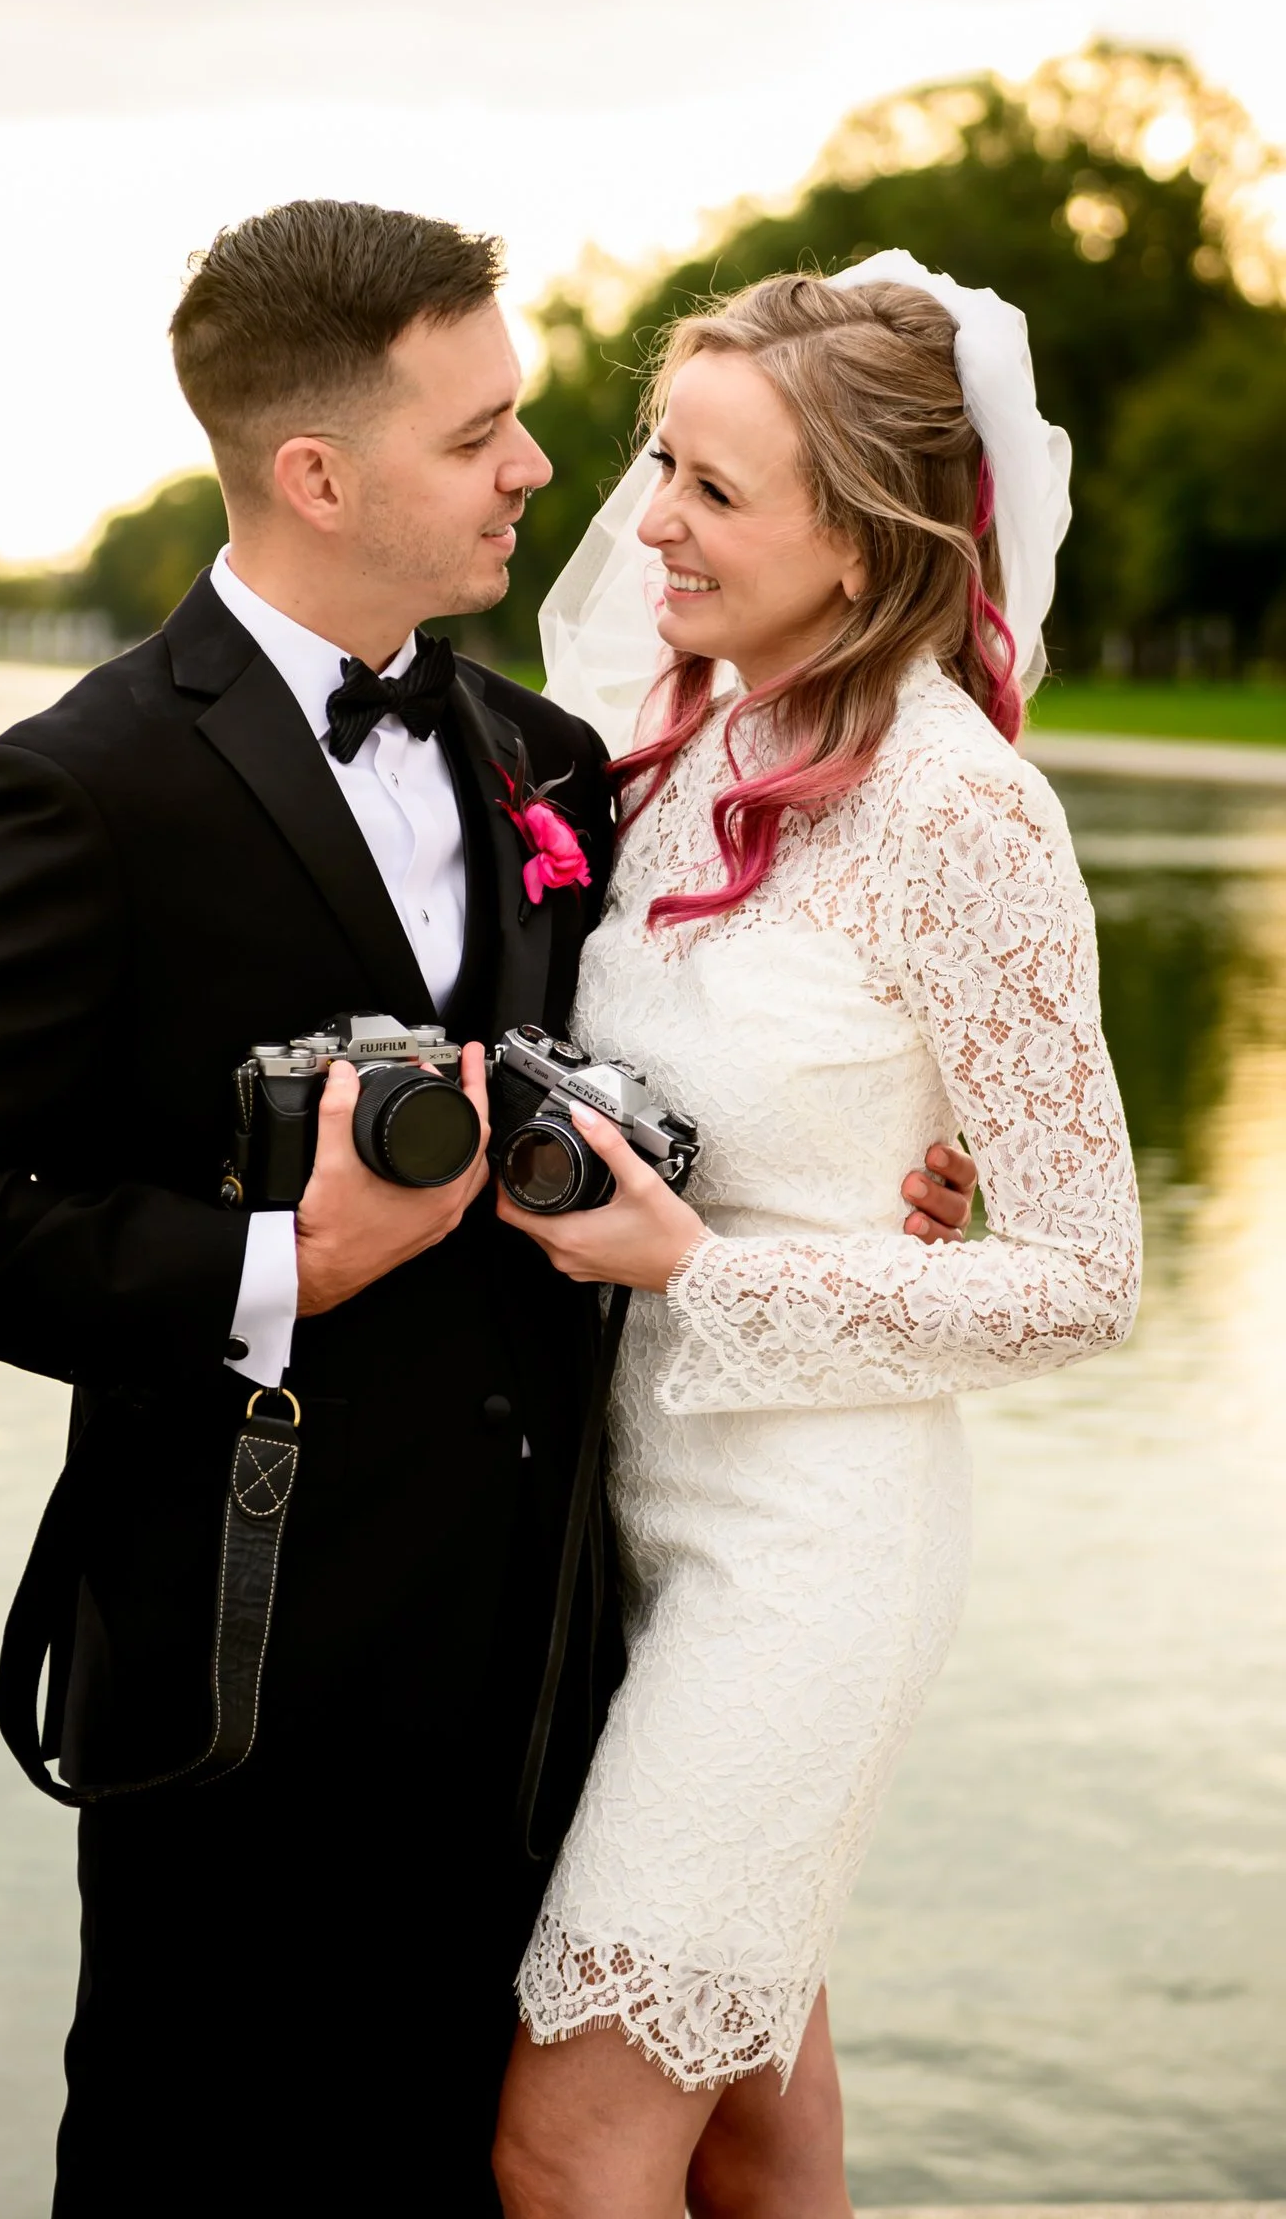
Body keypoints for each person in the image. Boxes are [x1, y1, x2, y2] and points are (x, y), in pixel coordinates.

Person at [0, 203, 973, 2217]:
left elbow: (679, 1088)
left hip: (558, 1658)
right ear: (317, 473)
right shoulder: (80, 787)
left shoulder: (544, 757)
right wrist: (283, 1257)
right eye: (483, 432)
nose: (539, 470)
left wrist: (887, 1184)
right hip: (247, 1686)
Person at [490, 255, 1143, 2219]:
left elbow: (1087, 1282)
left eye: (713, 489)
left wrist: (704, 1271)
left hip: (808, 1555)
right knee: (762, 2125)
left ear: (862, 549)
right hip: (633, 1520)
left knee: (567, 2147)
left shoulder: (964, 815)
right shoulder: (678, 746)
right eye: (661, 464)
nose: (651, 523)